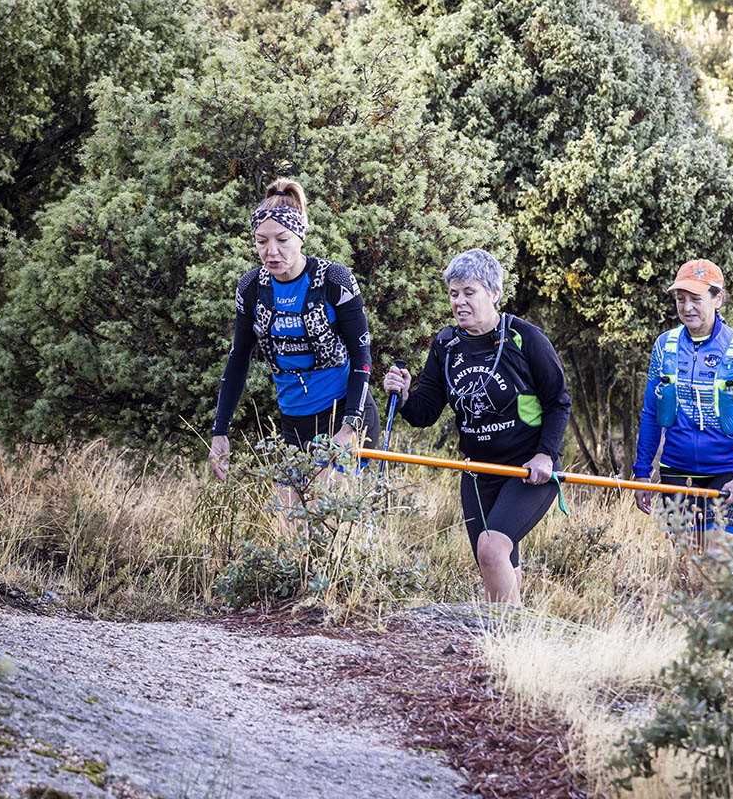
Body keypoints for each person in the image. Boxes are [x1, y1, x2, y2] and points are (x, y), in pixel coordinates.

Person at [382, 249, 570, 603]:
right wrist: (404, 395)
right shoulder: (446, 345)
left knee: (491, 548)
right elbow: (425, 413)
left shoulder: (524, 338)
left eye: (469, 292)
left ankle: (505, 631)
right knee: (497, 560)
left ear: (494, 293)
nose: (459, 302)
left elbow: (558, 402)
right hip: (477, 472)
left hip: (527, 470)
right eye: (454, 293)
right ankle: (513, 631)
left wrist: (545, 455)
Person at [209, 179, 376, 480]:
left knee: (324, 504)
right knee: (286, 511)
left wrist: (348, 427)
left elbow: (361, 356)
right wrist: (220, 432)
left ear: (300, 236)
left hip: (342, 416)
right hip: (293, 423)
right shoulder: (251, 287)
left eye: (282, 240)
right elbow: (238, 360)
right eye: (261, 241)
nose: (271, 251)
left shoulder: (335, 280)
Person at [633, 259, 733, 549]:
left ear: (717, 299)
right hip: (676, 471)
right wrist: (642, 473)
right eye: (680, 299)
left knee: (719, 554)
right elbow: (651, 414)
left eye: (696, 299)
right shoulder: (664, 346)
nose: (687, 308)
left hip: (728, 472)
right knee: (689, 559)